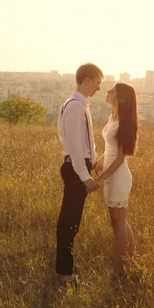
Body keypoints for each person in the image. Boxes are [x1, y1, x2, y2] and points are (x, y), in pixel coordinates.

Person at [56, 63, 103, 288]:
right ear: (87, 80)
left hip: (78, 167)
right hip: (76, 170)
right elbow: (74, 146)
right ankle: (66, 275)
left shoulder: (75, 104)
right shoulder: (75, 106)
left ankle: (64, 270)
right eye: (97, 82)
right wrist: (85, 176)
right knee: (70, 223)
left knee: (70, 221)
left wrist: (90, 161)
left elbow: (69, 140)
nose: (99, 88)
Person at [93, 83, 138, 276]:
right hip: (111, 173)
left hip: (118, 177)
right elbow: (110, 150)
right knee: (119, 220)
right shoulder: (112, 118)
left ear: (119, 98)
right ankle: (131, 258)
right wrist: (99, 161)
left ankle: (120, 268)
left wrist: (101, 179)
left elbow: (120, 158)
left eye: (112, 91)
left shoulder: (124, 123)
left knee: (118, 222)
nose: (108, 92)